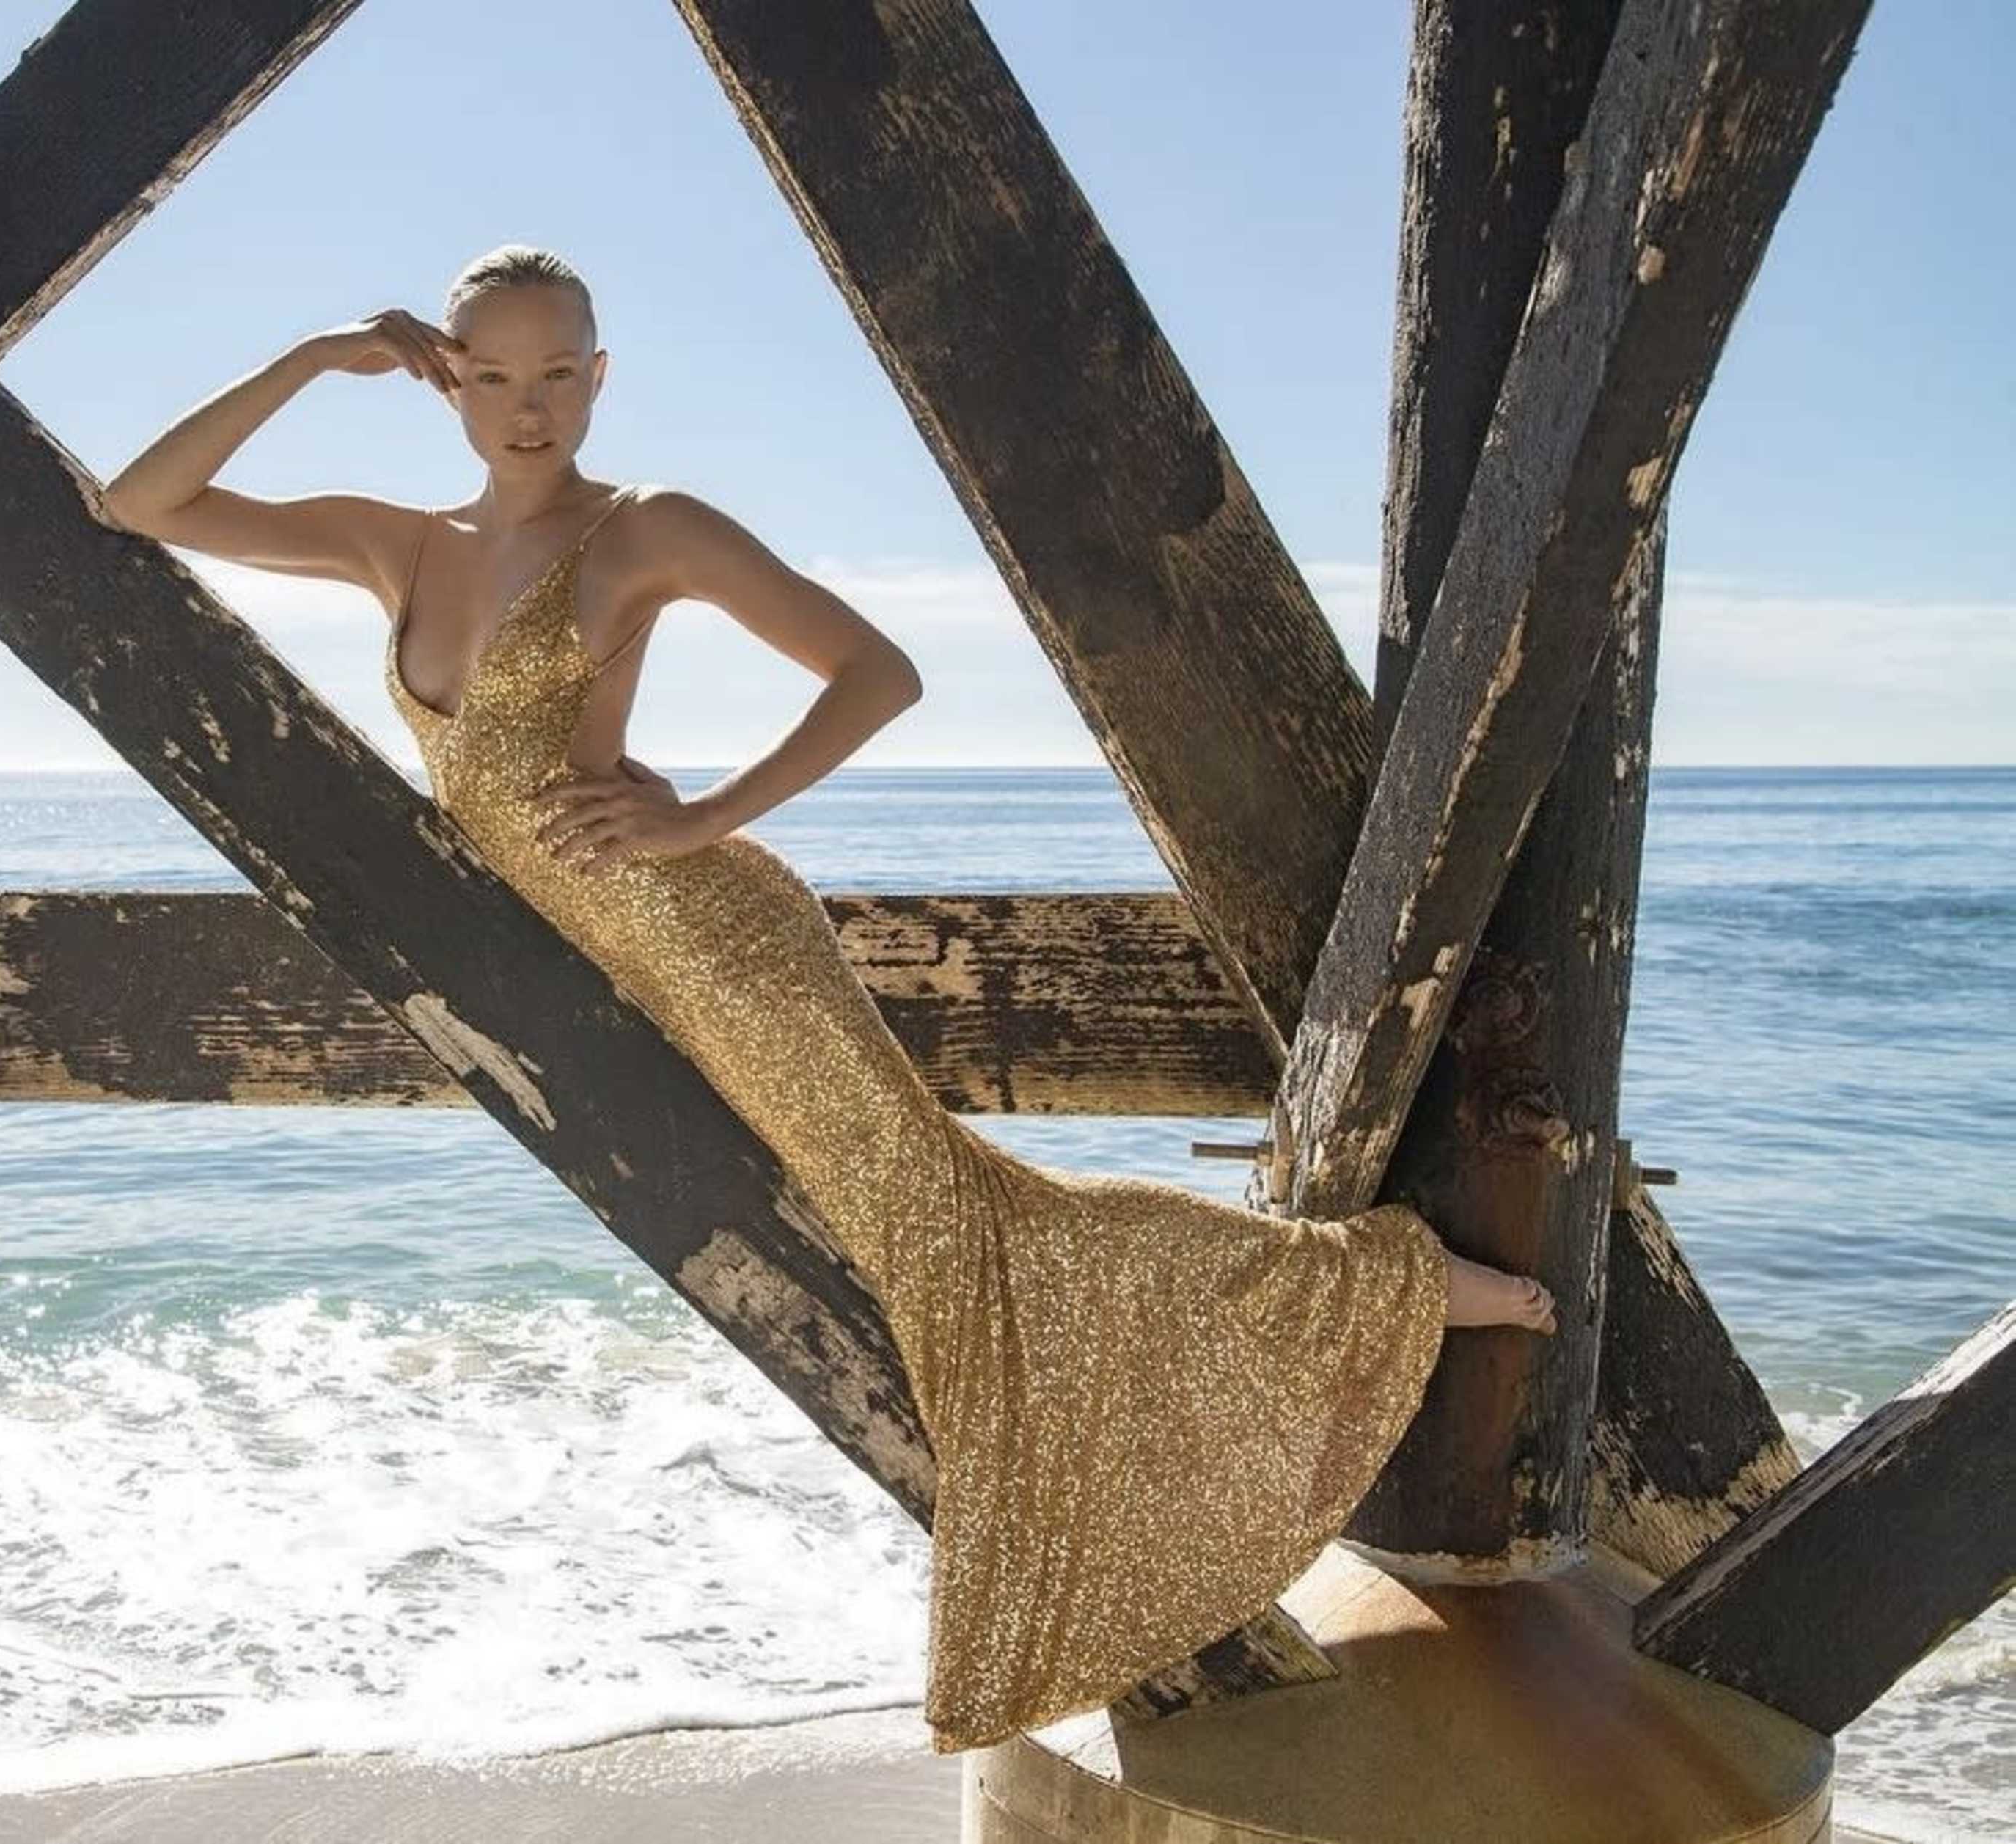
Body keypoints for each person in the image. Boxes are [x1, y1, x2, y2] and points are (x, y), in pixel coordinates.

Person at [98, 244, 1556, 1753]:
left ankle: (1387, 1287)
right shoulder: (400, 546)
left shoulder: (642, 529)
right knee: (946, 1231)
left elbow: (877, 672)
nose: (526, 410)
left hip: (717, 941)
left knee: (954, 1221)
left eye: (556, 375)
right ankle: (1233, 1401)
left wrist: (696, 820)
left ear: (598, 377)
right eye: (490, 376)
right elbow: (139, 503)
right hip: (606, 972)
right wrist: (312, 357)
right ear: (445, 379)